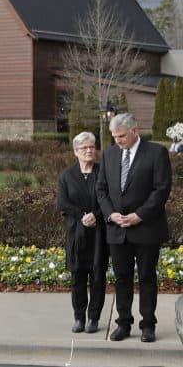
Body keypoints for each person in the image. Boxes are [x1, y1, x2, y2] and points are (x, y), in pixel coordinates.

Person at [95, 113, 172, 343]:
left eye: (122, 136)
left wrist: (139, 216)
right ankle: (124, 323)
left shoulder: (156, 153)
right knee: (122, 278)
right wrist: (110, 214)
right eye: (114, 136)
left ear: (134, 131)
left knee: (147, 277)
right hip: (118, 230)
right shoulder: (108, 155)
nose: (118, 140)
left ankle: (148, 324)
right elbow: (101, 190)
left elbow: (161, 190)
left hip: (146, 228)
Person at [57, 132, 108, 334]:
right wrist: (81, 216)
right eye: (84, 148)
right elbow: (62, 203)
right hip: (77, 233)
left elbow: (108, 199)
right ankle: (79, 317)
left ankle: (93, 318)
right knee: (77, 276)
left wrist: (95, 215)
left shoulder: (102, 172)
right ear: (76, 151)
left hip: (98, 234)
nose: (89, 150)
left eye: (92, 147)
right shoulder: (67, 176)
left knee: (97, 277)